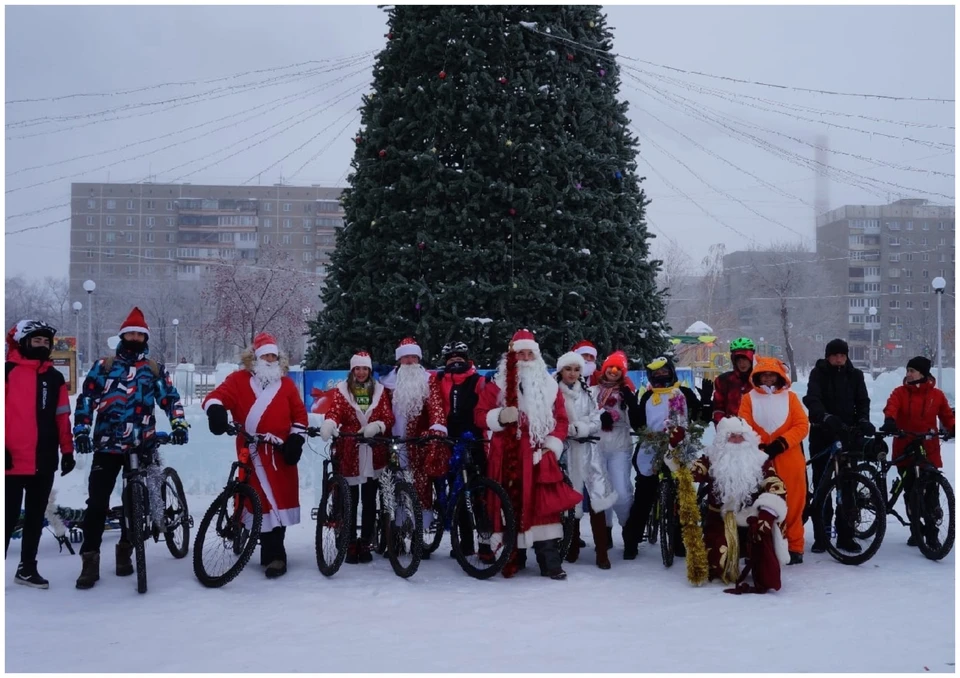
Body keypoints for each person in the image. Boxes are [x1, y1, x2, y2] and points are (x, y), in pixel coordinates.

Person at [73, 307, 187, 590]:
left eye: (139, 334)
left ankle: (126, 549)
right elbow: (86, 399)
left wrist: (180, 424)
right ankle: (90, 559)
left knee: (135, 503)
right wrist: (82, 431)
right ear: (122, 336)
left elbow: (170, 399)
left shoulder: (153, 369)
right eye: (130, 334)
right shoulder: (104, 367)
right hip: (107, 445)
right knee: (97, 503)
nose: (134, 337)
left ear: (144, 338)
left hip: (141, 444)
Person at [474, 329, 582, 579]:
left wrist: (552, 445)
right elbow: (479, 415)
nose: (524, 357)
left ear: (536, 356)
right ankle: (514, 556)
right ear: (512, 356)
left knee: (543, 507)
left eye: (528, 353)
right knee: (510, 505)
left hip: (539, 454)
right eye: (519, 353)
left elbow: (561, 420)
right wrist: (499, 417)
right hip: (507, 456)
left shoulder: (550, 387)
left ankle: (550, 562)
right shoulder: (497, 385)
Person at [203, 332, 307, 578]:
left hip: (280, 454)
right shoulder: (238, 380)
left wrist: (296, 438)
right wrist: (216, 411)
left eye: (273, 355)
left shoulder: (287, 385)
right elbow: (215, 397)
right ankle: (258, 542)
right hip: (251, 452)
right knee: (256, 500)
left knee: (278, 503)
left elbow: (300, 416)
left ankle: (275, 556)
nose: (270, 359)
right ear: (255, 358)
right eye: (265, 355)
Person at [679, 416, 790, 594]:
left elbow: (776, 485)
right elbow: (687, 475)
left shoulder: (760, 460)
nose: (737, 441)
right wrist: (676, 448)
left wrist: (767, 514)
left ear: (749, 438)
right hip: (720, 520)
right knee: (719, 564)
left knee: (766, 570)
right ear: (723, 440)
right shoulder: (711, 459)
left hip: (751, 517)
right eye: (732, 437)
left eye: (741, 436)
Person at [5, 320, 75, 589]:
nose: (43, 346)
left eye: (46, 342)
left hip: (43, 460)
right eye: (37, 341)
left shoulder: (54, 377)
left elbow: (62, 418)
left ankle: (27, 568)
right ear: (23, 342)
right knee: (7, 518)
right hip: (10, 461)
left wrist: (67, 451)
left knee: (35, 517)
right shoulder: (7, 372)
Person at [319, 351, 395, 564]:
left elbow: (388, 416)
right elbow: (335, 411)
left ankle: (366, 541)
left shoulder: (379, 390)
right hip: (350, 449)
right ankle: (350, 540)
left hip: (373, 450)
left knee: (370, 499)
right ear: (352, 370)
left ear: (369, 370)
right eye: (357, 368)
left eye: (365, 368)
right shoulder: (342, 391)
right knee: (350, 499)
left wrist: (377, 425)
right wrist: (330, 423)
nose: (361, 372)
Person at [621, 355, 700, 560]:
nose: (661, 376)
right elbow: (639, 424)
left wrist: (706, 403)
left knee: (681, 495)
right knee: (644, 494)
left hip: (678, 445)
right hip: (652, 446)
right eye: (657, 374)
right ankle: (632, 539)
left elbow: (699, 415)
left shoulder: (683, 392)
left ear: (672, 372)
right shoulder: (648, 396)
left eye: (665, 372)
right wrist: (632, 405)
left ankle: (681, 540)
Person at [802, 338, 873, 553]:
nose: (839, 358)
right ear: (828, 356)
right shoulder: (818, 373)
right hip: (822, 434)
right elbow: (812, 398)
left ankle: (846, 535)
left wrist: (862, 420)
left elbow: (863, 401)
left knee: (848, 488)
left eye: (842, 355)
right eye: (835, 355)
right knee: (822, 486)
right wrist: (824, 416)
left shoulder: (856, 375)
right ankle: (821, 535)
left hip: (848, 435)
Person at [380, 337, 448, 557]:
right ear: (399, 360)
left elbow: (437, 409)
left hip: (418, 444)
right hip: (393, 445)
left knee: (420, 490)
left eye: (413, 357)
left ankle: (419, 536)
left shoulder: (429, 381)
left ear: (418, 358)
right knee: (393, 486)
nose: (409, 361)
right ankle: (395, 536)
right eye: (405, 357)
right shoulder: (387, 383)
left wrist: (435, 429)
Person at [738, 357, 809, 564]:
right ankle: (763, 545)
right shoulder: (748, 398)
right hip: (759, 459)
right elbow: (744, 424)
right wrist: (759, 445)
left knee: (794, 502)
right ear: (757, 376)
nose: (768, 378)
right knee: (760, 503)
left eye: (772, 374)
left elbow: (802, 425)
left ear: (779, 376)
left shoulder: (791, 397)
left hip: (789, 457)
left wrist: (782, 443)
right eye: (764, 374)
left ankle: (795, 546)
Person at [880, 356, 955, 548]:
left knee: (931, 494)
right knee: (910, 492)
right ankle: (916, 530)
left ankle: (932, 533)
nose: (908, 374)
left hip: (929, 449)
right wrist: (890, 420)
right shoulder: (900, 392)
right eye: (907, 370)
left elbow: (947, 415)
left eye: (912, 371)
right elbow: (892, 406)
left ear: (923, 373)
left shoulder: (936, 395)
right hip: (905, 448)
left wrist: (952, 427)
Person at [555, 351, 616, 567]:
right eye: (568, 369)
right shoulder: (554, 392)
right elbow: (551, 421)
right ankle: (571, 547)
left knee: (598, 498)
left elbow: (596, 419)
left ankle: (602, 551)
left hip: (589, 452)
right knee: (571, 500)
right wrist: (567, 430)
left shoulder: (587, 393)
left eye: (576, 369)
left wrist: (584, 428)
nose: (572, 374)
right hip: (567, 453)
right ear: (561, 370)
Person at [434, 340, 489, 557]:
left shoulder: (478, 380)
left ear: (467, 360)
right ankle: (465, 544)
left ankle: (485, 544)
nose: (456, 360)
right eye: (451, 358)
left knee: (480, 495)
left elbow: (487, 404)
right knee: (457, 495)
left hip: (474, 441)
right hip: (449, 443)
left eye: (460, 357)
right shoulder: (438, 380)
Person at [591, 350, 637, 558]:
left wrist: (629, 405)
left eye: (619, 369)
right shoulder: (592, 391)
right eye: (611, 367)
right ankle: (605, 532)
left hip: (619, 446)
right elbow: (588, 414)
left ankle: (629, 532)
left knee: (622, 490)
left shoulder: (628, 391)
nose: (614, 371)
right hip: (597, 445)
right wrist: (600, 417)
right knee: (603, 491)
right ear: (605, 368)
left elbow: (634, 422)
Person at [712, 337, 756, 426]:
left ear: (751, 359)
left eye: (744, 359)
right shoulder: (724, 381)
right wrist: (722, 426)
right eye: (738, 360)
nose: (741, 363)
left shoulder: (759, 380)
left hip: (756, 431)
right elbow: (718, 408)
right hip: (731, 430)